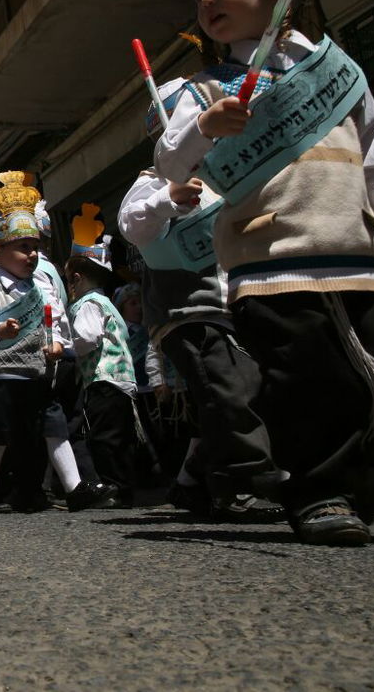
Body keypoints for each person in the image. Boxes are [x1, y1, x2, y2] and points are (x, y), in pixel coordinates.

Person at [155, 0, 374, 544]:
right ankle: (320, 490)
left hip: (353, 246)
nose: (209, 1)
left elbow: (373, 152)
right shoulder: (207, 89)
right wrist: (206, 129)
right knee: (306, 376)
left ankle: (347, 475)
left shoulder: (337, 69)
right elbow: (167, 157)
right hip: (269, 255)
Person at [118, 76, 280, 517]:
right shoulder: (152, 180)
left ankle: (191, 483)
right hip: (186, 310)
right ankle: (237, 484)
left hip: (235, 302)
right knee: (229, 390)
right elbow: (132, 225)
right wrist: (167, 200)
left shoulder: (227, 178)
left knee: (235, 392)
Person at [0, 173, 114, 514]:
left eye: (35, 247)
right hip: (2, 376)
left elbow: (53, 321)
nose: (31, 255)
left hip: (37, 374)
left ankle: (75, 488)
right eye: (23, 247)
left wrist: (58, 343)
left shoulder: (39, 289)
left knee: (53, 427)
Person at [63, 208, 139, 506]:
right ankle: (126, 486)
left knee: (105, 437)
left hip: (102, 379)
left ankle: (114, 488)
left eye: (68, 280)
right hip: (123, 380)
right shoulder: (108, 302)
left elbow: (87, 338)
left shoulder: (86, 304)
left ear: (76, 279)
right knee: (122, 437)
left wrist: (65, 348)